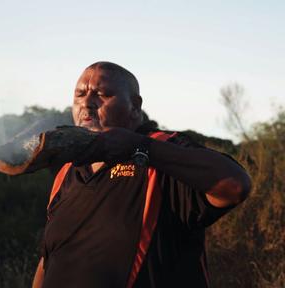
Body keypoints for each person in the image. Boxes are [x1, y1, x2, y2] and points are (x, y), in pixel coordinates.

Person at [32, 62, 251, 288]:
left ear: (135, 107)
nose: (87, 103)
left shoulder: (162, 151)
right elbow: (49, 259)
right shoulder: (67, 171)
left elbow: (235, 186)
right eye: (80, 95)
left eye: (102, 94)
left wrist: (140, 148)